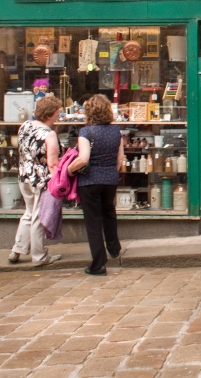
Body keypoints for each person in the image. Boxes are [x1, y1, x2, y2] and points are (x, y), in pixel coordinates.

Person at [68, 94, 125, 276]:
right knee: (109, 212)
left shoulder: (86, 132)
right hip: (110, 179)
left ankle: (98, 264)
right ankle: (114, 248)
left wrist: (69, 169)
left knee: (93, 221)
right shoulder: (116, 131)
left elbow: (83, 158)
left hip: (90, 181)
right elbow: (120, 159)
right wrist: (111, 173)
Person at [9, 94, 63, 267]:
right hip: (41, 180)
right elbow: (52, 163)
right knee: (39, 217)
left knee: (29, 212)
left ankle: (17, 250)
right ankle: (39, 256)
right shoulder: (49, 134)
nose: (58, 116)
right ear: (49, 114)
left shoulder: (25, 125)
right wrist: (59, 183)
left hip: (24, 176)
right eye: (57, 113)